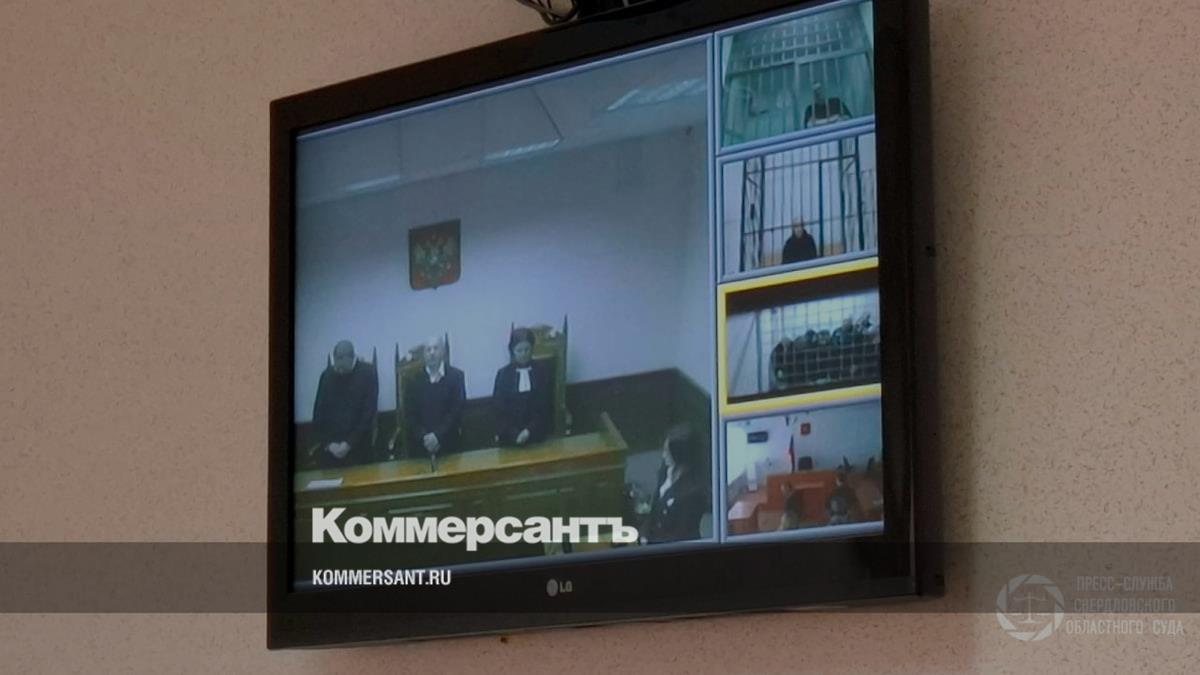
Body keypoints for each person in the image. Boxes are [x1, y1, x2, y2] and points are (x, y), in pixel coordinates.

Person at [311, 340, 378, 468]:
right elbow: (318, 414)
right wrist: (328, 444)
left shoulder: (367, 373)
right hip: (331, 448)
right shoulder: (327, 376)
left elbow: (368, 414)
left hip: (359, 446)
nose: (339, 371)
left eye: (343, 368)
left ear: (352, 358)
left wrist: (348, 444)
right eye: (337, 367)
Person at [640, 425, 710, 544]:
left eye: (667, 452)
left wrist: (651, 544)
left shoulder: (694, 492)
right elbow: (655, 506)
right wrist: (644, 534)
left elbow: (680, 534)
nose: (663, 455)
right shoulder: (666, 470)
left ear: (680, 454)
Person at [404, 335, 466, 457]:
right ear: (424, 355)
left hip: (449, 444)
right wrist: (425, 438)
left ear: (443, 352)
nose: (432, 353)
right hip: (421, 446)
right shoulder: (413, 380)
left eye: (436, 348)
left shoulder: (456, 377)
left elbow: (457, 411)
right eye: (428, 350)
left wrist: (438, 436)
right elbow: (410, 415)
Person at [492, 328, 553, 446]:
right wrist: (514, 434)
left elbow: (545, 407)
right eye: (519, 350)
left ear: (532, 349)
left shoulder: (542, 372)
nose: (524, 354)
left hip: (536, 434)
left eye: (527, 349)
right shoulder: (503, 374)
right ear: (512, 351)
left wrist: (528, 431)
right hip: (510, 436)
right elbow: (499, 409)